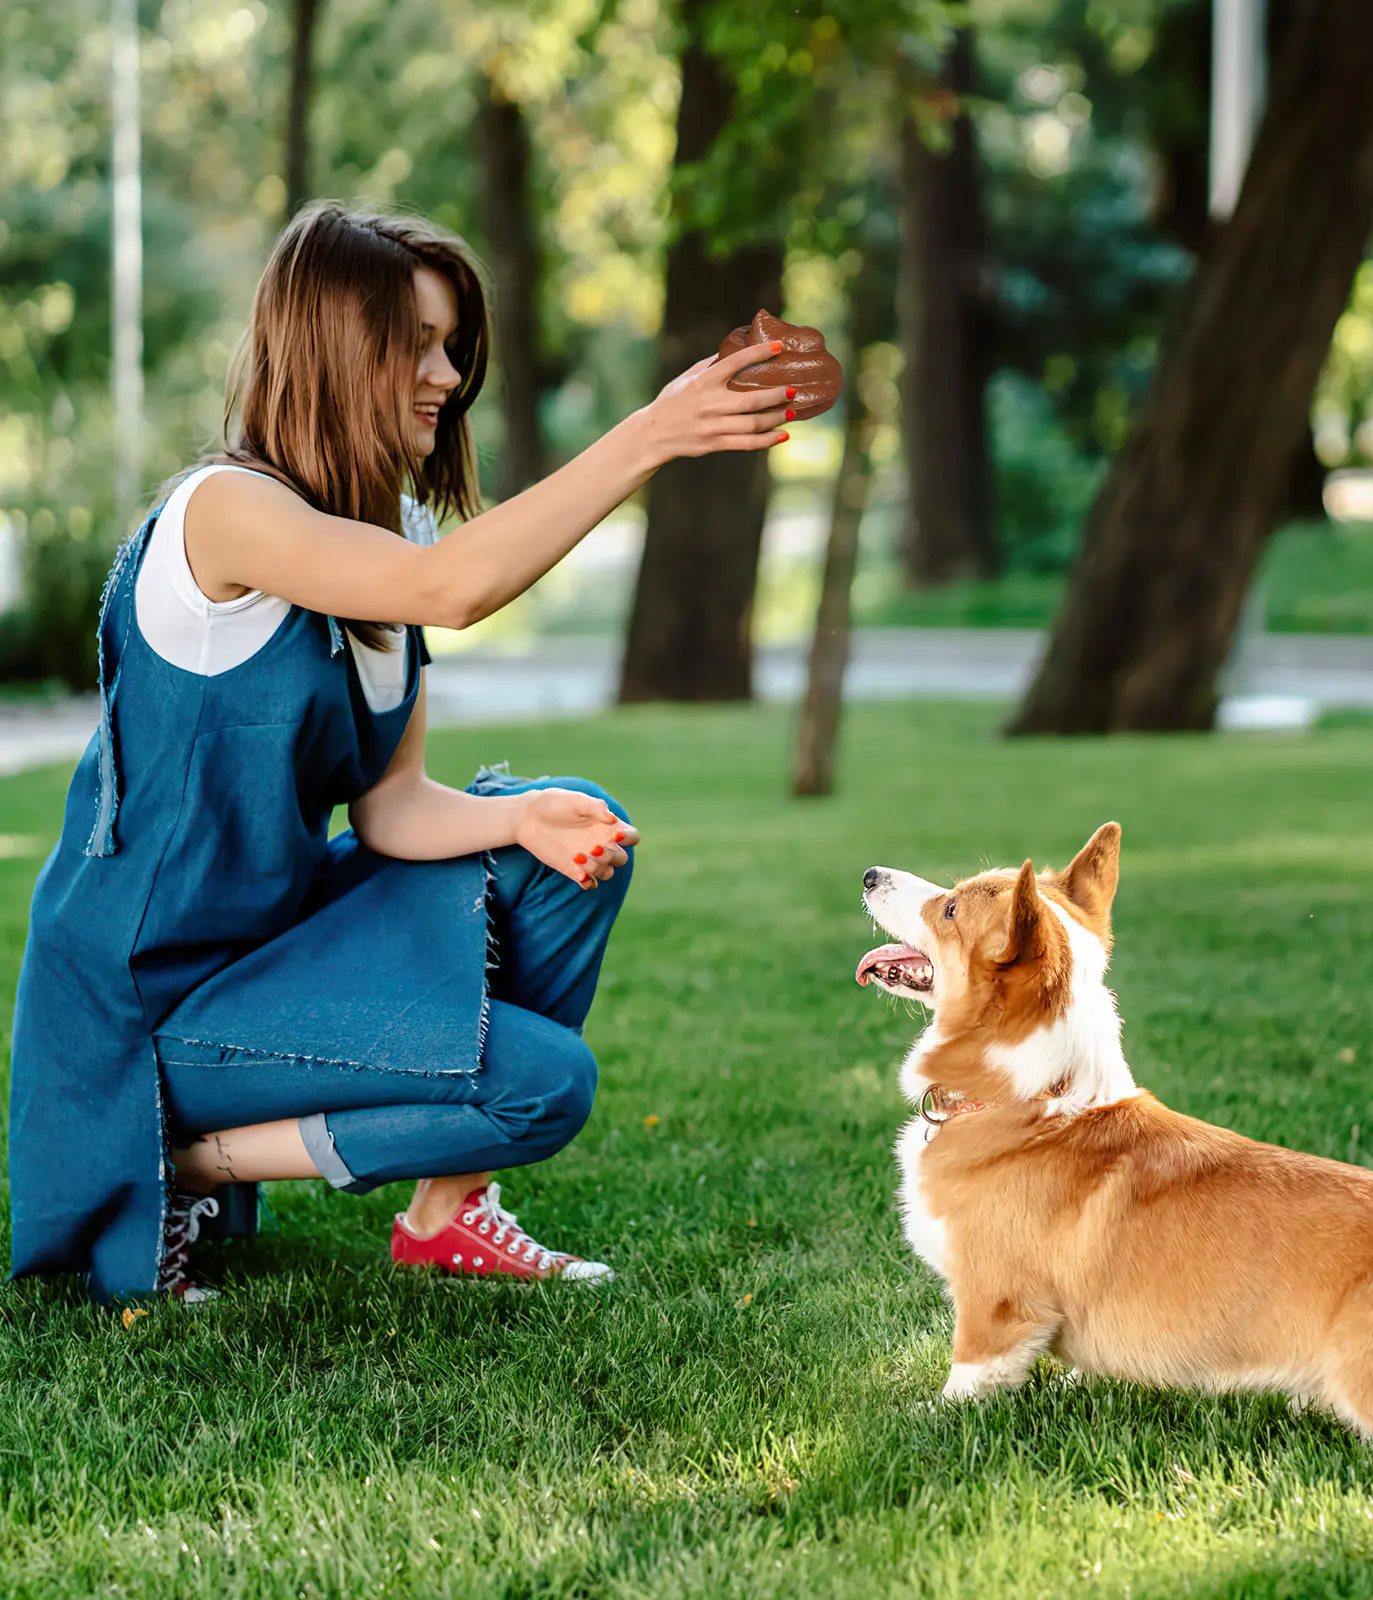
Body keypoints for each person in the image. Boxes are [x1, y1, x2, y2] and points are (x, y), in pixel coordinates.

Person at [8, 203, 795, 1304]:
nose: (447, 373)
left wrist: (521, 820)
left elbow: (391, 808)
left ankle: (447, 1212)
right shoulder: (223, 515)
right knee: (545, 1086)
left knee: (563, 830)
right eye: (416, 344)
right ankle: (173, 1153)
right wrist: (653, 431)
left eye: (452, 345)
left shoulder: (391, 535)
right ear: (333, 348)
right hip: (142, 1007)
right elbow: (453, 591)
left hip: (269, 953)